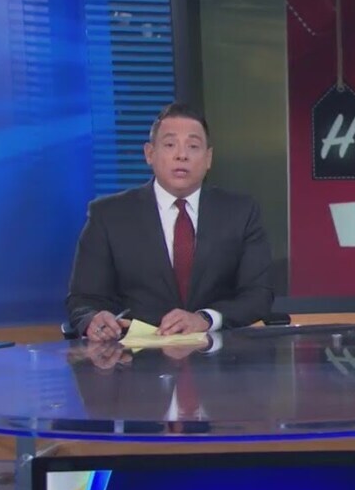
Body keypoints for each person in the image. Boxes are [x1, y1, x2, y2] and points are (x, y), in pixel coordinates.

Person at [66, 102, 274, 341]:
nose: (181, 155)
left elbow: (258, 295)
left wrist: (205, 319)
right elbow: (83, 299)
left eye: (193, 146)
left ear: (208, 158)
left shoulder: (240, 212)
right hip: (134, 357)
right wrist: (93, 319)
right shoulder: (108, 215)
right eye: (170, 144)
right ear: (149, 154)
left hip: (218, 355)